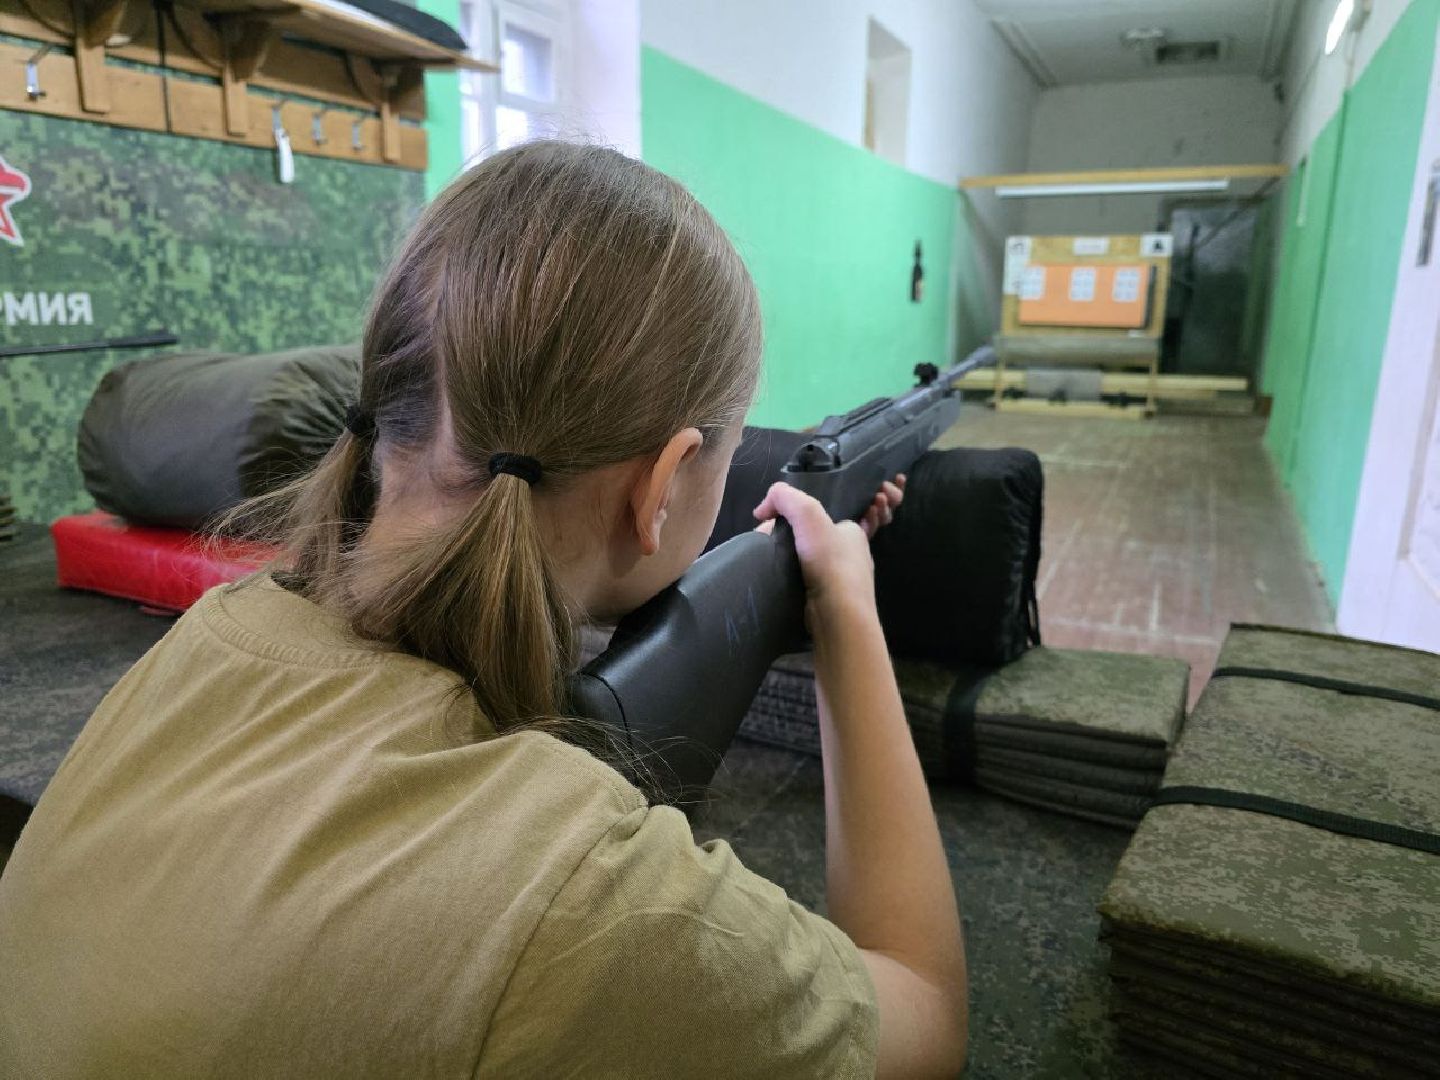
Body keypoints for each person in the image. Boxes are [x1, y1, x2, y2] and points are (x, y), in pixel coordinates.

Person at [0, 142, 967, 1078]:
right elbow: (923, 1013)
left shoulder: (211, 637)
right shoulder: (594, 896)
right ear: (663, 485)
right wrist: (847, 609)